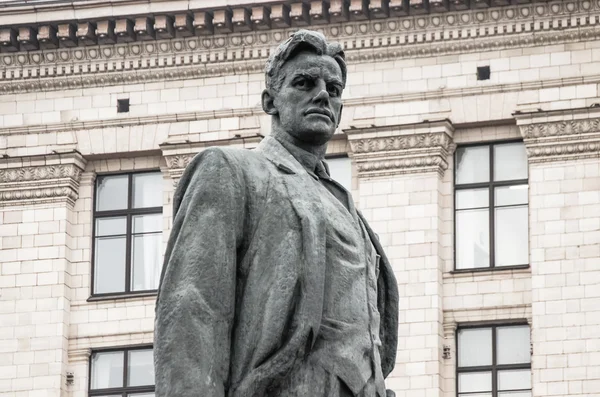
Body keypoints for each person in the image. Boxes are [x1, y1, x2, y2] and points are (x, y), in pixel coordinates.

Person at [154, 30, 398, 397]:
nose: (321, 94)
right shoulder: (232, 171)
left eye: (333, 89)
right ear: (271, 101)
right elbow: (192, 308)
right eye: (304, 83)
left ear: (340, 110)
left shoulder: (347, 208)